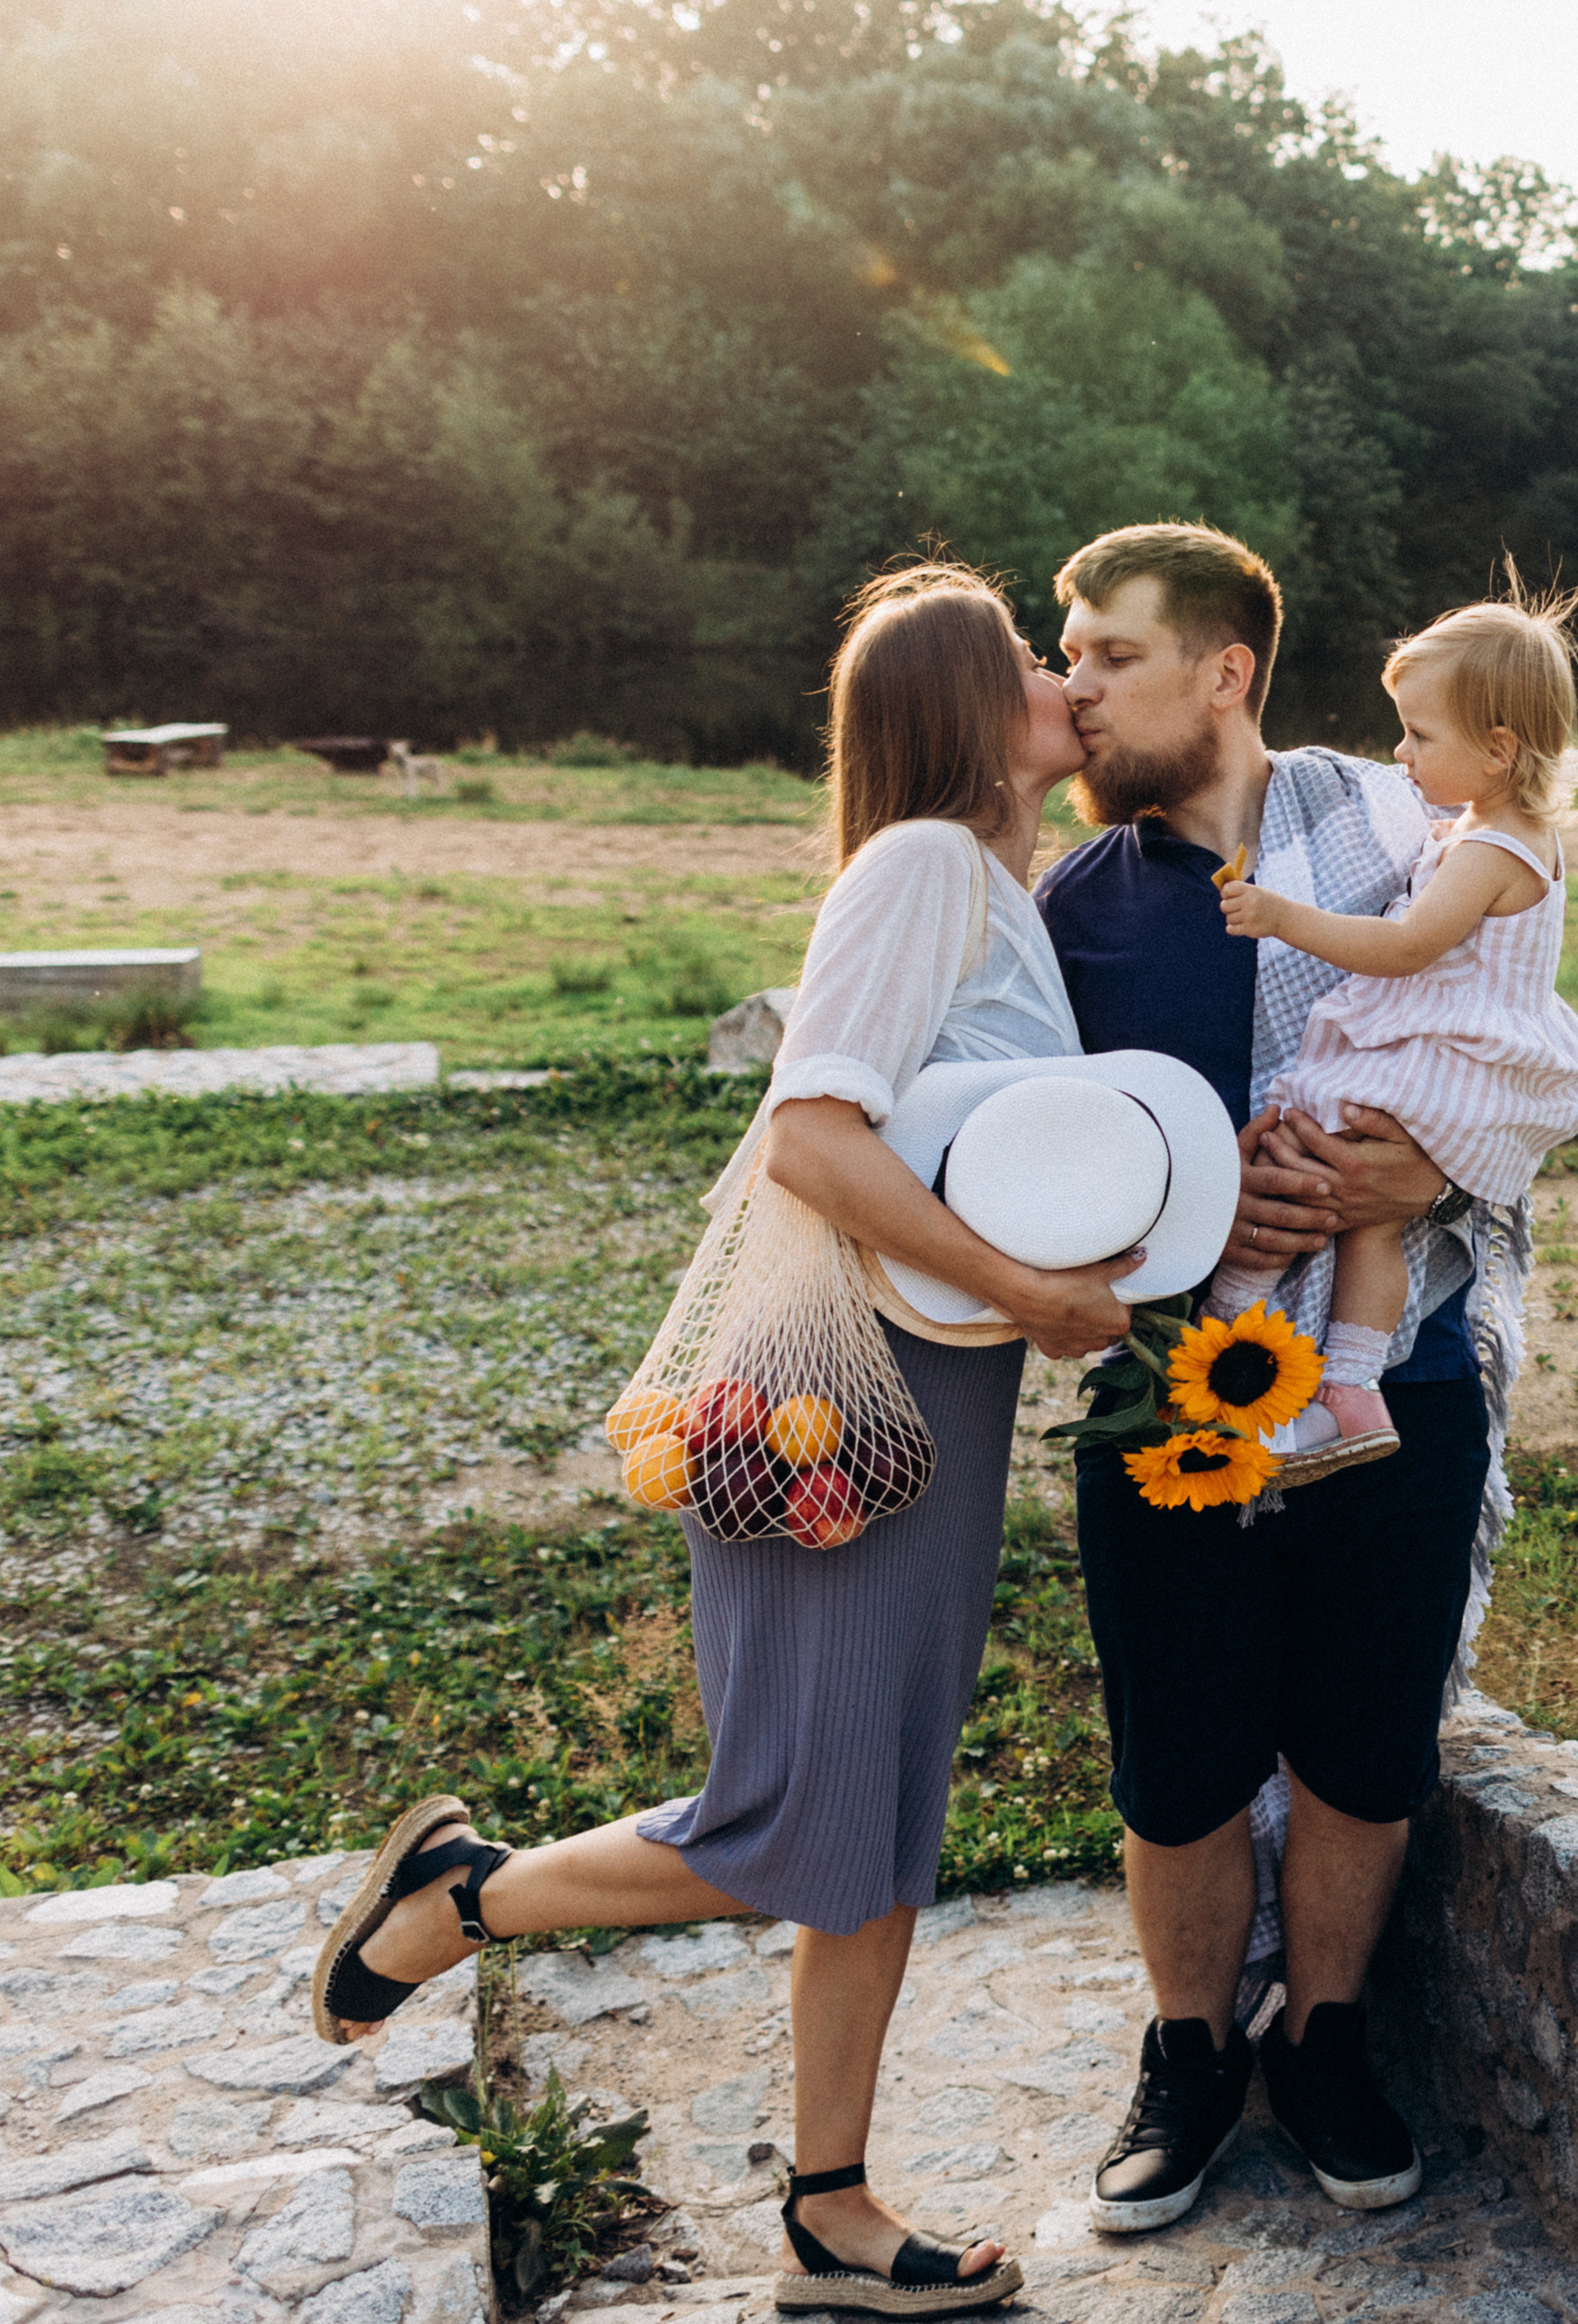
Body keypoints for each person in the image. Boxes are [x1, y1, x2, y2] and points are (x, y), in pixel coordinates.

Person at [310, 563, 1134, 2318]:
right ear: (965, 709)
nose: (1068, 676)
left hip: (937, 1393)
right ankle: (464, 1897)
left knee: (882, 1822)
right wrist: (1027, 1288)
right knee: (791, 1815)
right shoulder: (921, 867)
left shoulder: (1003, 883)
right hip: (855, 1400)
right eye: (1033, 657)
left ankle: (828, 2212)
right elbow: (812, 1145)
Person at [1034, 521, 1529, 2226]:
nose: (1069, 689)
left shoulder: (1408, 830)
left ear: (1223, 670)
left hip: (1402, 1364)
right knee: (1176, 1748)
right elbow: (1013, 1174)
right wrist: (1181, 1207)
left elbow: (1518, 1053)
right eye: (1066, 655)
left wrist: (1432, 1178)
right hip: (1173, 1383)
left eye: (1104, 655)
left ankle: (1320, 2041)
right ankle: (1189, 2051)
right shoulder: (1068, 908)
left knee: (1360, 1739)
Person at [1212, 585, 1578, 1476]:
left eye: (1420, 736)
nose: (1398, 752)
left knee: (1293, 1149)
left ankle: (1230, 1334)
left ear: (1497, 751)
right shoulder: (1490, 828)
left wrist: (1280, 915)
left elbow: (1401, 946)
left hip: (1435, 1061)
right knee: (1366, 1226)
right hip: (1446, 1057)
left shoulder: (1490, 850)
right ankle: (1349, 1389)